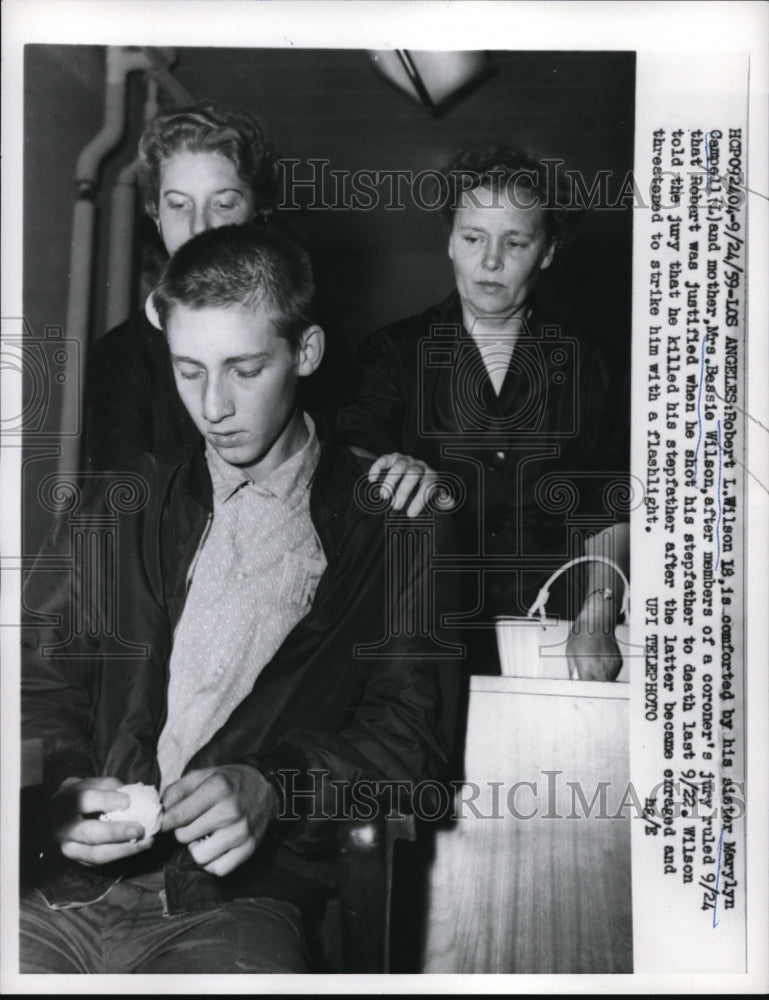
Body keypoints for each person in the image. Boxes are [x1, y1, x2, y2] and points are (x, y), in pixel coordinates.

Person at [21, 224, 460, 974]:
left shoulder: (390, 524)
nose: (213, 406)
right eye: (188, 371)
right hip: (57, 895)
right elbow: (37, 684)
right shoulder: (113, 508)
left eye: (245, 370)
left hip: (235, 909)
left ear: (307, 353)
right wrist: (58, 795)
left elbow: (411, 742)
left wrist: (276, 788)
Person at [337, 146, 631, 681]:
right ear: (450, 240)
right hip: (422, 632)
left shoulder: (595, 362)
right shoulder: (394, 351)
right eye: (473, 238)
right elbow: (352, 458)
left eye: (515, 242)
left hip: (556, 630)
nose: (490, 261)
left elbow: (608, 504)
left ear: (548, 251)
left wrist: (598, 616)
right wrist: (387, 470)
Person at [86, 100, 351, 471]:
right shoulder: (117, 359)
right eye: (178, 205)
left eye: (223, 204)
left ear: (257, 215)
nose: (199, 227)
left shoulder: (311, 336)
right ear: (156, 217)